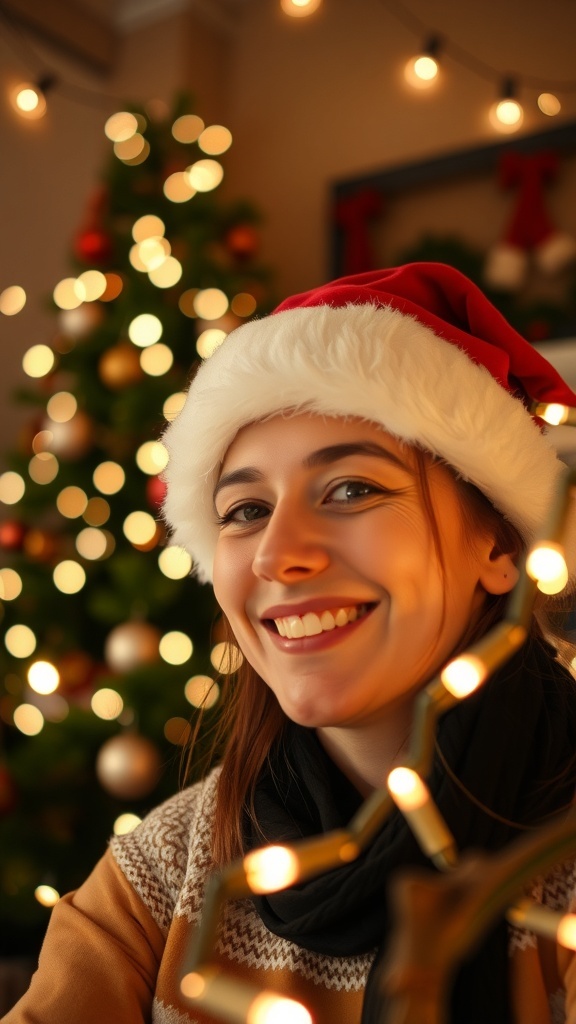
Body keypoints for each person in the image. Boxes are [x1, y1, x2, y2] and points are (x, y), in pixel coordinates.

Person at [6, 262, 576, 1024]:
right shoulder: (158, 878)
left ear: (499, 545)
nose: (277, 555)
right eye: (245, 510)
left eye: (351, 490)